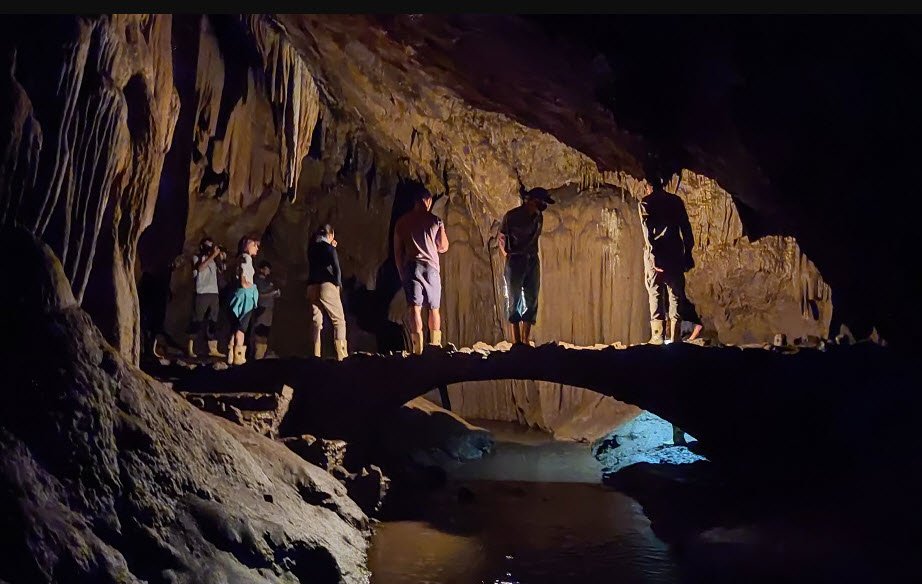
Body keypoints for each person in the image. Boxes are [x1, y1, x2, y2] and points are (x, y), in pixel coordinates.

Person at [638, 161, 703, 345]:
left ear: (648, 186)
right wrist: (688, 252)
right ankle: (675, 337)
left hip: (657, 254)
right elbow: (686, 229)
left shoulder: (646, 203)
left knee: (655, 292)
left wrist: (653, 256)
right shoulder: (675, 201)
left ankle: (657, 336)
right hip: (675, 252)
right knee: (675, 294)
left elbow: (647, 232)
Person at [393, 185, 449, 354]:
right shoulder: (435, 220)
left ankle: (417, 349)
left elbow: (398, 251)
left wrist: (401, 272)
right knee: (434, 308)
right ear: (428, 201)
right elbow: (443, 246)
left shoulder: (402, 222)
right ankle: (435, 346)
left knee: (415, 308)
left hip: (413, 267)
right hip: (431, 268)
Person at [498, 186, 555, 345]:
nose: (543, 205)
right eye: (541, 202)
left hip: (531, 260)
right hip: (516, 260)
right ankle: (517, 341)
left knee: (532, 297)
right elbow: (502, 238)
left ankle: (525, 339)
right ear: (532, 201)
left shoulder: (539, 217)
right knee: (514, 298)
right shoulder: (511, 216)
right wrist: (509, 257)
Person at [307, 224, 347, 360]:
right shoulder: (329, 248)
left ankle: (315, 355)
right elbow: (336, 268)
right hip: (327, 284)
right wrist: (338, 285)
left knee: (316, 322)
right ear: (330, 235)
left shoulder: (312, 248)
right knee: (339, 321)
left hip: (312, 286)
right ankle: (342, 356)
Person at [186, 237, 226, 358]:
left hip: (214, 293)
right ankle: (190, 348)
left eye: (211, 246)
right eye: (207, 245)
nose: (209, 248)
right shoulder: (197, 257)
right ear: (202, 246)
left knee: (213, 321)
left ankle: (212, 348)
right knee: (197, 320)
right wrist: (213, 255)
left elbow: (222, 271)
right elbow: (200, 268)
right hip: (202, 293)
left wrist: (222, 259)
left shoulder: (213, 259)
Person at [226, 235, 260, 365]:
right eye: (254, 245)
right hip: (245, 298)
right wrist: (249, 286)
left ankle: (230, 355)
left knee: (235, 327)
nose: (257, 248)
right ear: (247, 246)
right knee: (241, 328)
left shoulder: (240, 258)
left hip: (237, 296)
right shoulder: (246, 258)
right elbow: (243, 277)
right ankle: (238, 357)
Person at [252, 259, 280, 360]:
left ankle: (262, 355)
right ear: (262, 269)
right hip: (262, 308)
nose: (269, 271)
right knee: (260, 332)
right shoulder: (257, 281)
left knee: (265, 333)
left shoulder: (268, 281)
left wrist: (276, 294)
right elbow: (258, 295)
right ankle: (258, 357)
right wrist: (271, 294)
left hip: (269, 310)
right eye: (267, 269)